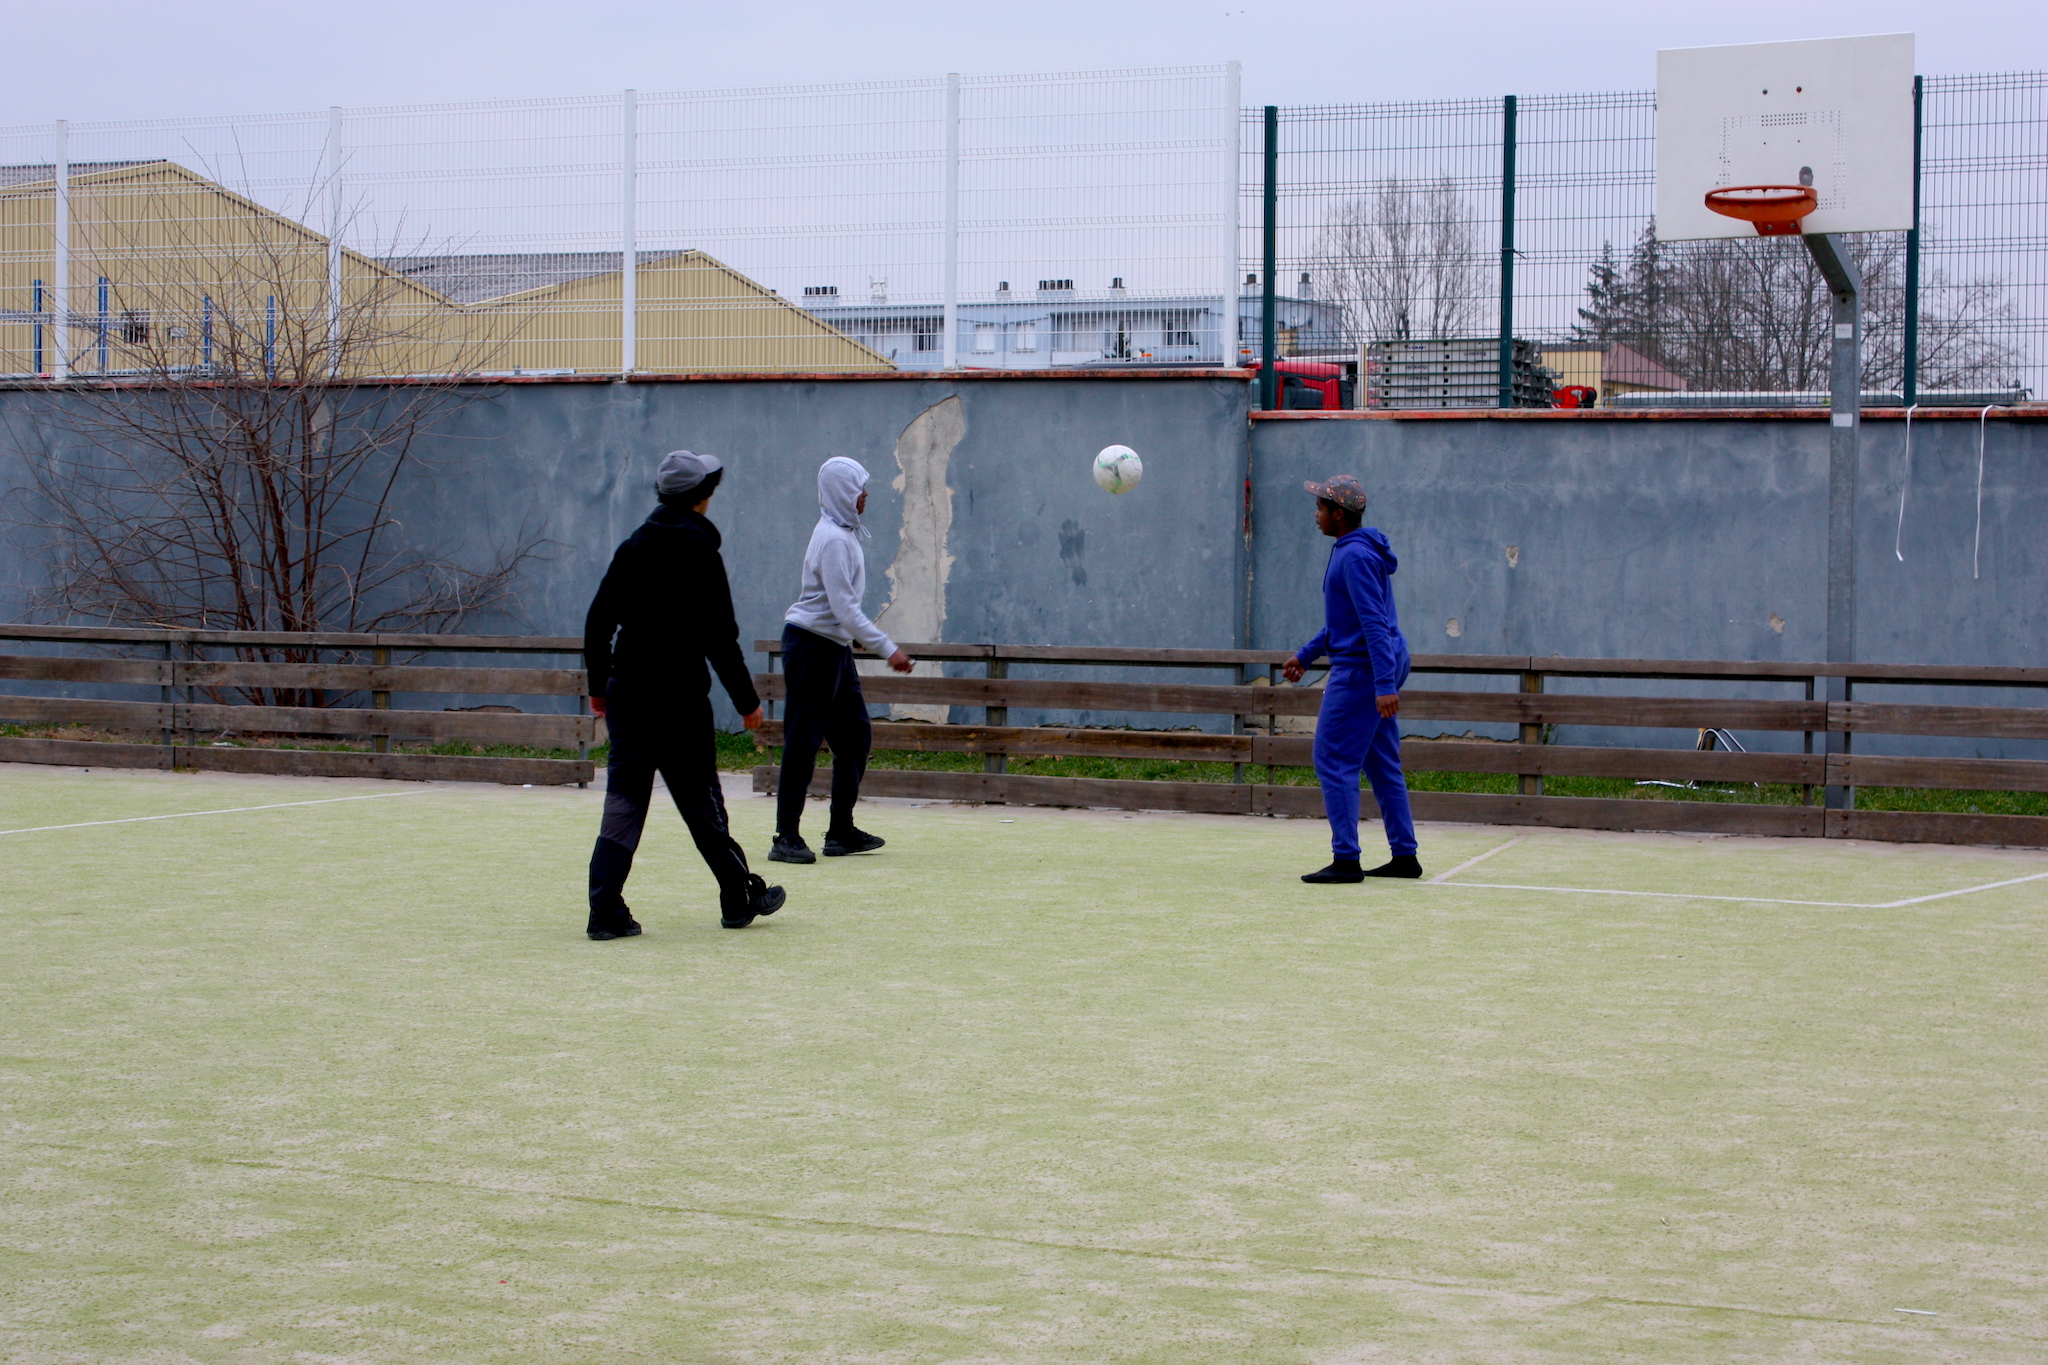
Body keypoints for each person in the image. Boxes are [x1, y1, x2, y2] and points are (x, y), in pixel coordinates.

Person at [582, 449, 786, 936]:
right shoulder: (701, 553)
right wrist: (747, 702)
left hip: (629, 694)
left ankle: (604, 909)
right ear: (704, 497)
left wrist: (598, 688)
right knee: (701, 800)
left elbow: (597, 624)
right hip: (679, 700)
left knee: (625, 803)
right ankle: (738, 898)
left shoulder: (633, 547)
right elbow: (720, 636)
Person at [769, 456, 915, 864]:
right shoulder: (832, 539)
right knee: (804, 739)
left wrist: (855, 638)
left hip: (833, 648)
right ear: (841, 495)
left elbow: (843, 615)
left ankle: (840, 831)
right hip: (811, 646)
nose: (865, 495)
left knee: (854, 737)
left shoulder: (845, 534)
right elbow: (845, 609)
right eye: (858, 489)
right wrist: (889, 648)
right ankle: (786, 837)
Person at [1281, 474, 1423, 883]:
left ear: (1339, 515)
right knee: (1380, 763)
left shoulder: (1355, 557)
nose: (1316, 515)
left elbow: (1373, 624)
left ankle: (1346, 859)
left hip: (1363, 669)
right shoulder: (1355, 550)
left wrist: (1383, 686)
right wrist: (1307, 654)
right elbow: (1347, 622)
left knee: (1333, 759)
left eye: (1321, 508)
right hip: (1374, 662)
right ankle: (1404, 856)